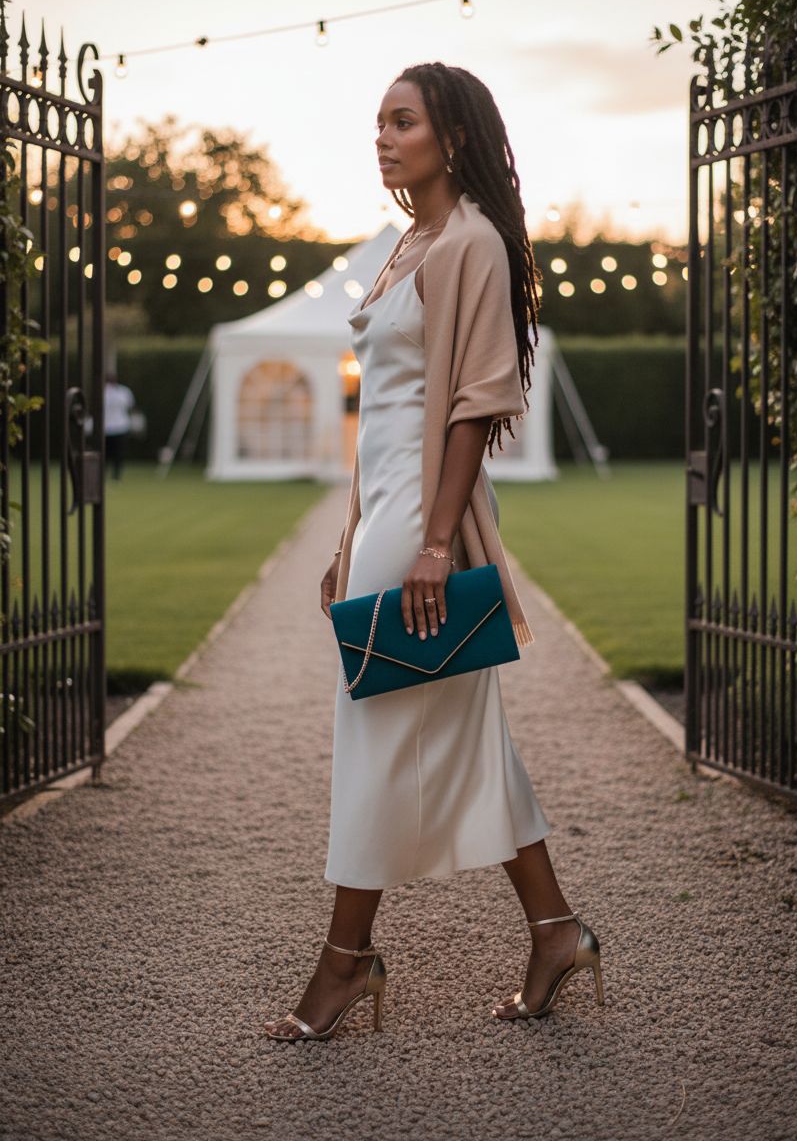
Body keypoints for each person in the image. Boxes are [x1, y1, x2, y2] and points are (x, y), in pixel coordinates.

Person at [265, 63, 604, 1043]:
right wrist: (349, 540)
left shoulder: (471, 243)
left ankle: (346, 962)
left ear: (451, 138)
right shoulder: (408, 245)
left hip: (425, 520)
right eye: (378, 121)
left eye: (402, 121)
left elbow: (472, 406)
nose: (383, 137)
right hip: (387, 517)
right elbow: (384, 415)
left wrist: (430, 543)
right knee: (464, 732)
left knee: (374, 727)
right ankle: (555, 932)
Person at [103, 371, 136, 481]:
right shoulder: (105, 391)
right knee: (108, 453)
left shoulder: (124, 391)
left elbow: (130, 407)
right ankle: (107, 474)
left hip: (120, 426)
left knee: (117, 453)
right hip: (109, 427)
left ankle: (116, 475)